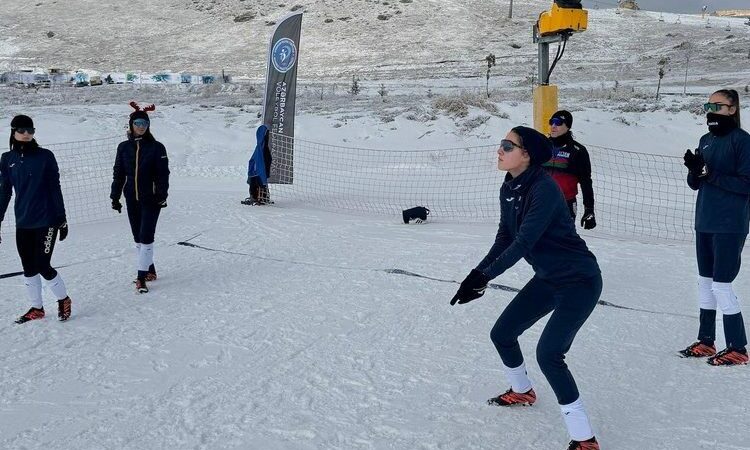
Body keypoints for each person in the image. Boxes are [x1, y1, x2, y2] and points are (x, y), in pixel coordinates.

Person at [451, 126, 603, 450]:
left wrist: (485, 277)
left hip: (579, 280)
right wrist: (476, 274)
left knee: (549, 354)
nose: (499, 150)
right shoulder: (509, 186)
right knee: (502, 334)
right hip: (548, 278)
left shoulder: (543, 189)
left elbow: (523, 243)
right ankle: (522, 391)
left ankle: (585, 439)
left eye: (508, 145)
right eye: (501, 144)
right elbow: (504, 237)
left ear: (527, 155)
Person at [680, 89, 749, 366]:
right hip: (704, 220)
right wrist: (695, 171)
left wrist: (711, 174)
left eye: (718, 105)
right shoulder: (705, 140)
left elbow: (746, 184)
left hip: (729, 224)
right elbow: (696, 183)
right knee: (705, 283)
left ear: (732, 109)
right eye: (708, 105)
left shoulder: (742, 141)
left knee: (722, 285)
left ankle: (738, 347)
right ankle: (707, 341)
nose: (711, 110)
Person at [0, 115, 72, 323]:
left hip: (47, 220)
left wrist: (61, 217)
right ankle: (37, 308)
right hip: (23, 221)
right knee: (28, 266)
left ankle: (63, 299)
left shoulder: (45, 156)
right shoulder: (7, 159)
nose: (27, 134)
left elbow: (54, 188)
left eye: (31, 130)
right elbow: (5, 191)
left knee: (42, 264)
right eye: (22, 130)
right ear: (13, 131)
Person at [110, 102, 170, 294]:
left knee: (146, 237)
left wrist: (161, 196)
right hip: (131, 198)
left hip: (151, 199)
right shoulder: (123, 147)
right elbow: (119, 174)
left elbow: (163, 174)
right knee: (137, 238)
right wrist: (115, 196)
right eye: (137, 123)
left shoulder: (157, 147)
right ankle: (150, 270)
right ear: (131, 125)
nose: (141, 127)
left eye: (144, 124)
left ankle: (141, 277)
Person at [543, 110, 596, 229]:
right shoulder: (542, 146)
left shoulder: (577, 151)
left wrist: (589, 209)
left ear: (568, 126)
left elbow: (586, 182)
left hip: (565, 203)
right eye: (552, 122)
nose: (553, 126)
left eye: (558, 123)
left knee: (563, 242)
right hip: (540, 201)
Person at [242, 124, 273, 206]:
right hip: (259, 171)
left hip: (260, 171)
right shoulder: (261, 148)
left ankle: (260, 197)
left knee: (259, 181)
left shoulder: (261, 148)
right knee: (259, 181)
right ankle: (259, 197)